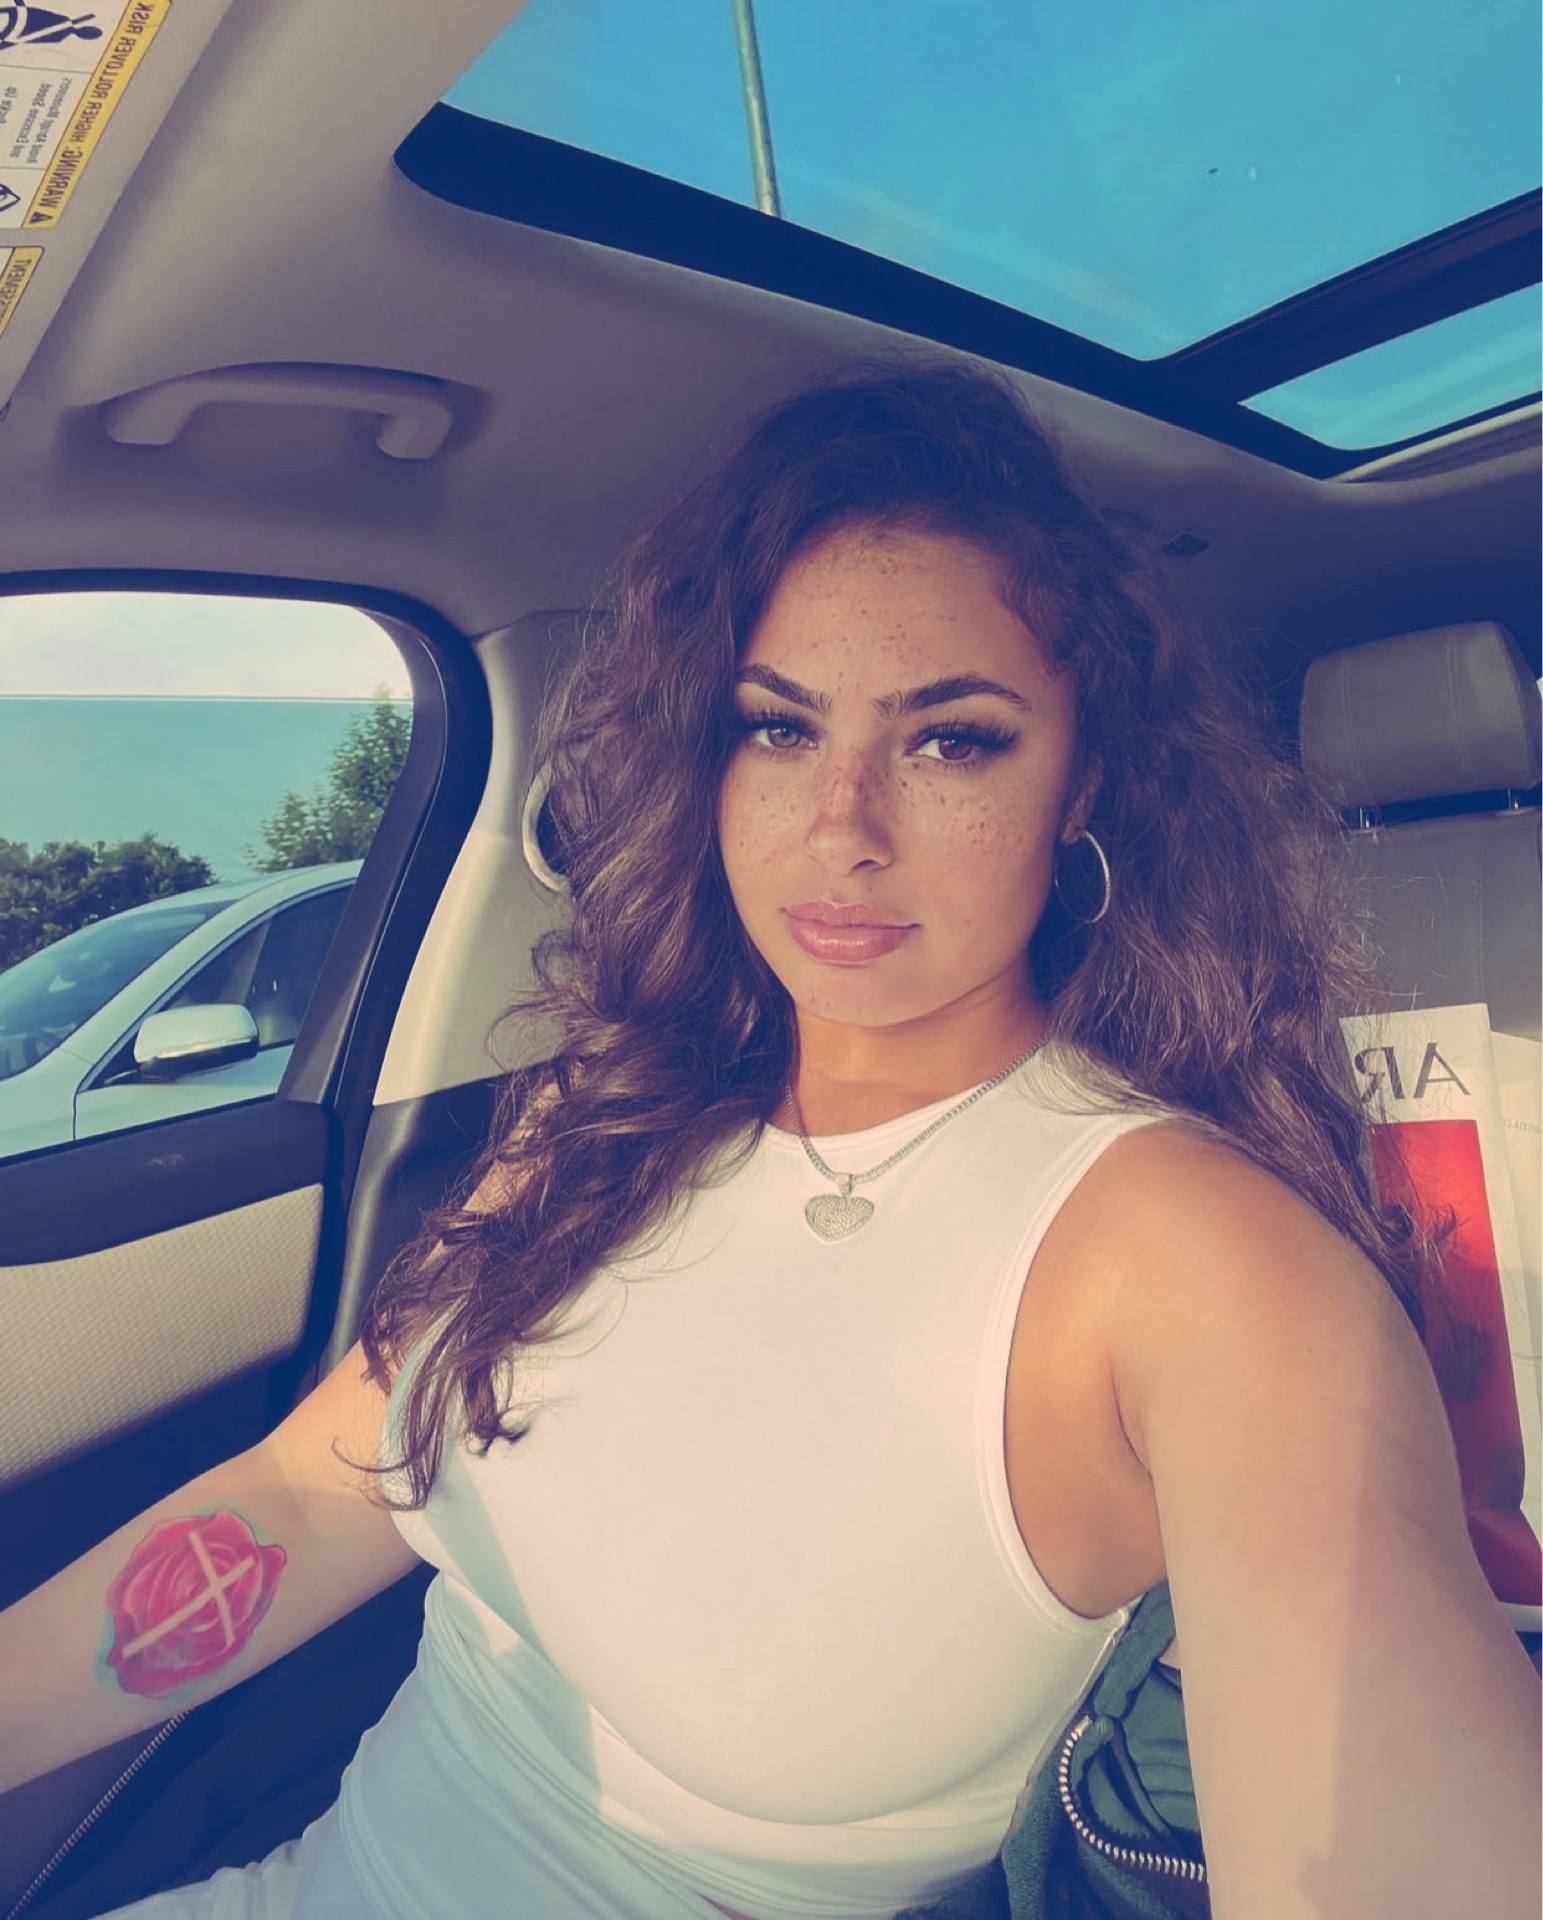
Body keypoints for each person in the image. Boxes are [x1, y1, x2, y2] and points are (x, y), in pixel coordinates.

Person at [1, 362, 1536, 1920]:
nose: (842, 825)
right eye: (777, 727)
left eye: (954, 741)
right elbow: (313, 1491)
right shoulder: (609, 1114)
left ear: (1085, 782)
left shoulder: (1207, 1268)